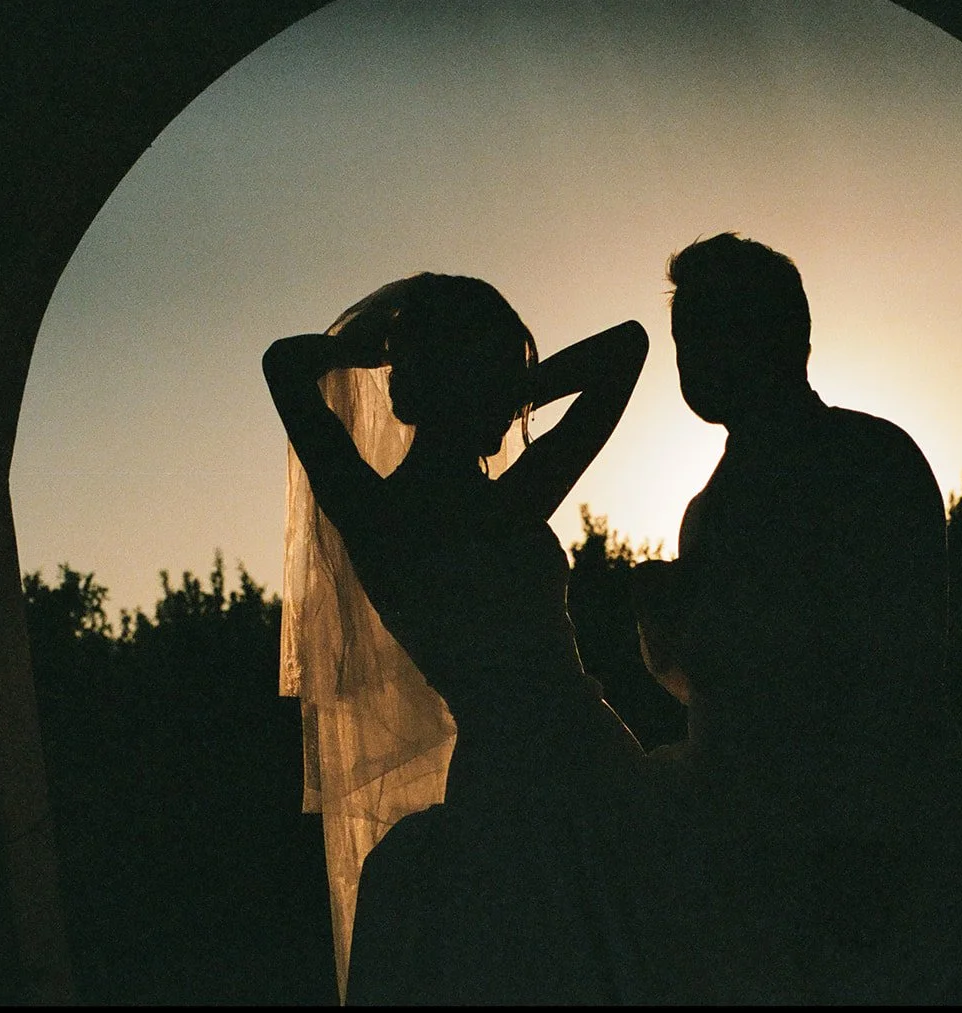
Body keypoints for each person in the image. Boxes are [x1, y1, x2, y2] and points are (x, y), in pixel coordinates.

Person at [264, 273, 676, 1004]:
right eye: (495, 375)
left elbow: (283, 365)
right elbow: (626, 351)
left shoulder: (391, 515)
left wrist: (475, 381)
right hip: (568, 767)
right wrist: (497, 386)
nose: (510, 410)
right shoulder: (496, 506)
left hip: (529, 773)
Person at [632, 232, 962, 1003]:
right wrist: (669, 625)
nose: (692, 356)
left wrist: (869, 841)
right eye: (684, 335)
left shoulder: (866, 461)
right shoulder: (707, 508)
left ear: (781, 335)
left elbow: (898, 661)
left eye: (712, 329)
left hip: (865, 851)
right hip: (753, 860)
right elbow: (725, 688)